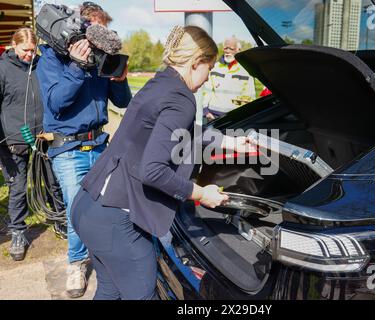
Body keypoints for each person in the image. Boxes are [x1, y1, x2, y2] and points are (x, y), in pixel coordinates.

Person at [70, 25, 254, 300]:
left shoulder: (162, 82)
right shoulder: (183, 99)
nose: (208, 76)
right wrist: (202, 194)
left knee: (110, 291)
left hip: (88, 206)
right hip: (115, 220)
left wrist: (229, 142)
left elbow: (174, 132)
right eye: (209, 67)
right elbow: (152, 171)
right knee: (144, 295)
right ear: (196, 62)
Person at [36, 2, 132, 298]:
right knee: (79, 213)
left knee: (109, 208)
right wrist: (77, 67)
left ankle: (108, 259)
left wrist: (120, 79)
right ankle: (76, 264)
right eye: (96, 28)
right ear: (81, 26)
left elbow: (122, 101)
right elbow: (56, 103)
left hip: (101, 144)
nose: (101, 35)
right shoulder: (51, 59)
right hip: (69, 149)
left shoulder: (101, 58)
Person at [0, 27, 43, 261]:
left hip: (41, 138)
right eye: (26, 50)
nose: (29, 55)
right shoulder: (3, 68)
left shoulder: (40, 66)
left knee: (52, 182)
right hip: (12, 141)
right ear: (13, 45)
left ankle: (59, 221)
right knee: (17, 188)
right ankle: (18, 231)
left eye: (33, 51)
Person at [202, 36, 255, 121]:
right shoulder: (214, 67)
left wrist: (245, 115)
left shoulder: (246, 70)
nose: (228, 51)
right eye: (226, 48)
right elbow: (206, 91)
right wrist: (206, 112)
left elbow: (250, 95)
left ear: (238, 50)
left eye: (231, 48)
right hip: (212, 116)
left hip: (235, 118)